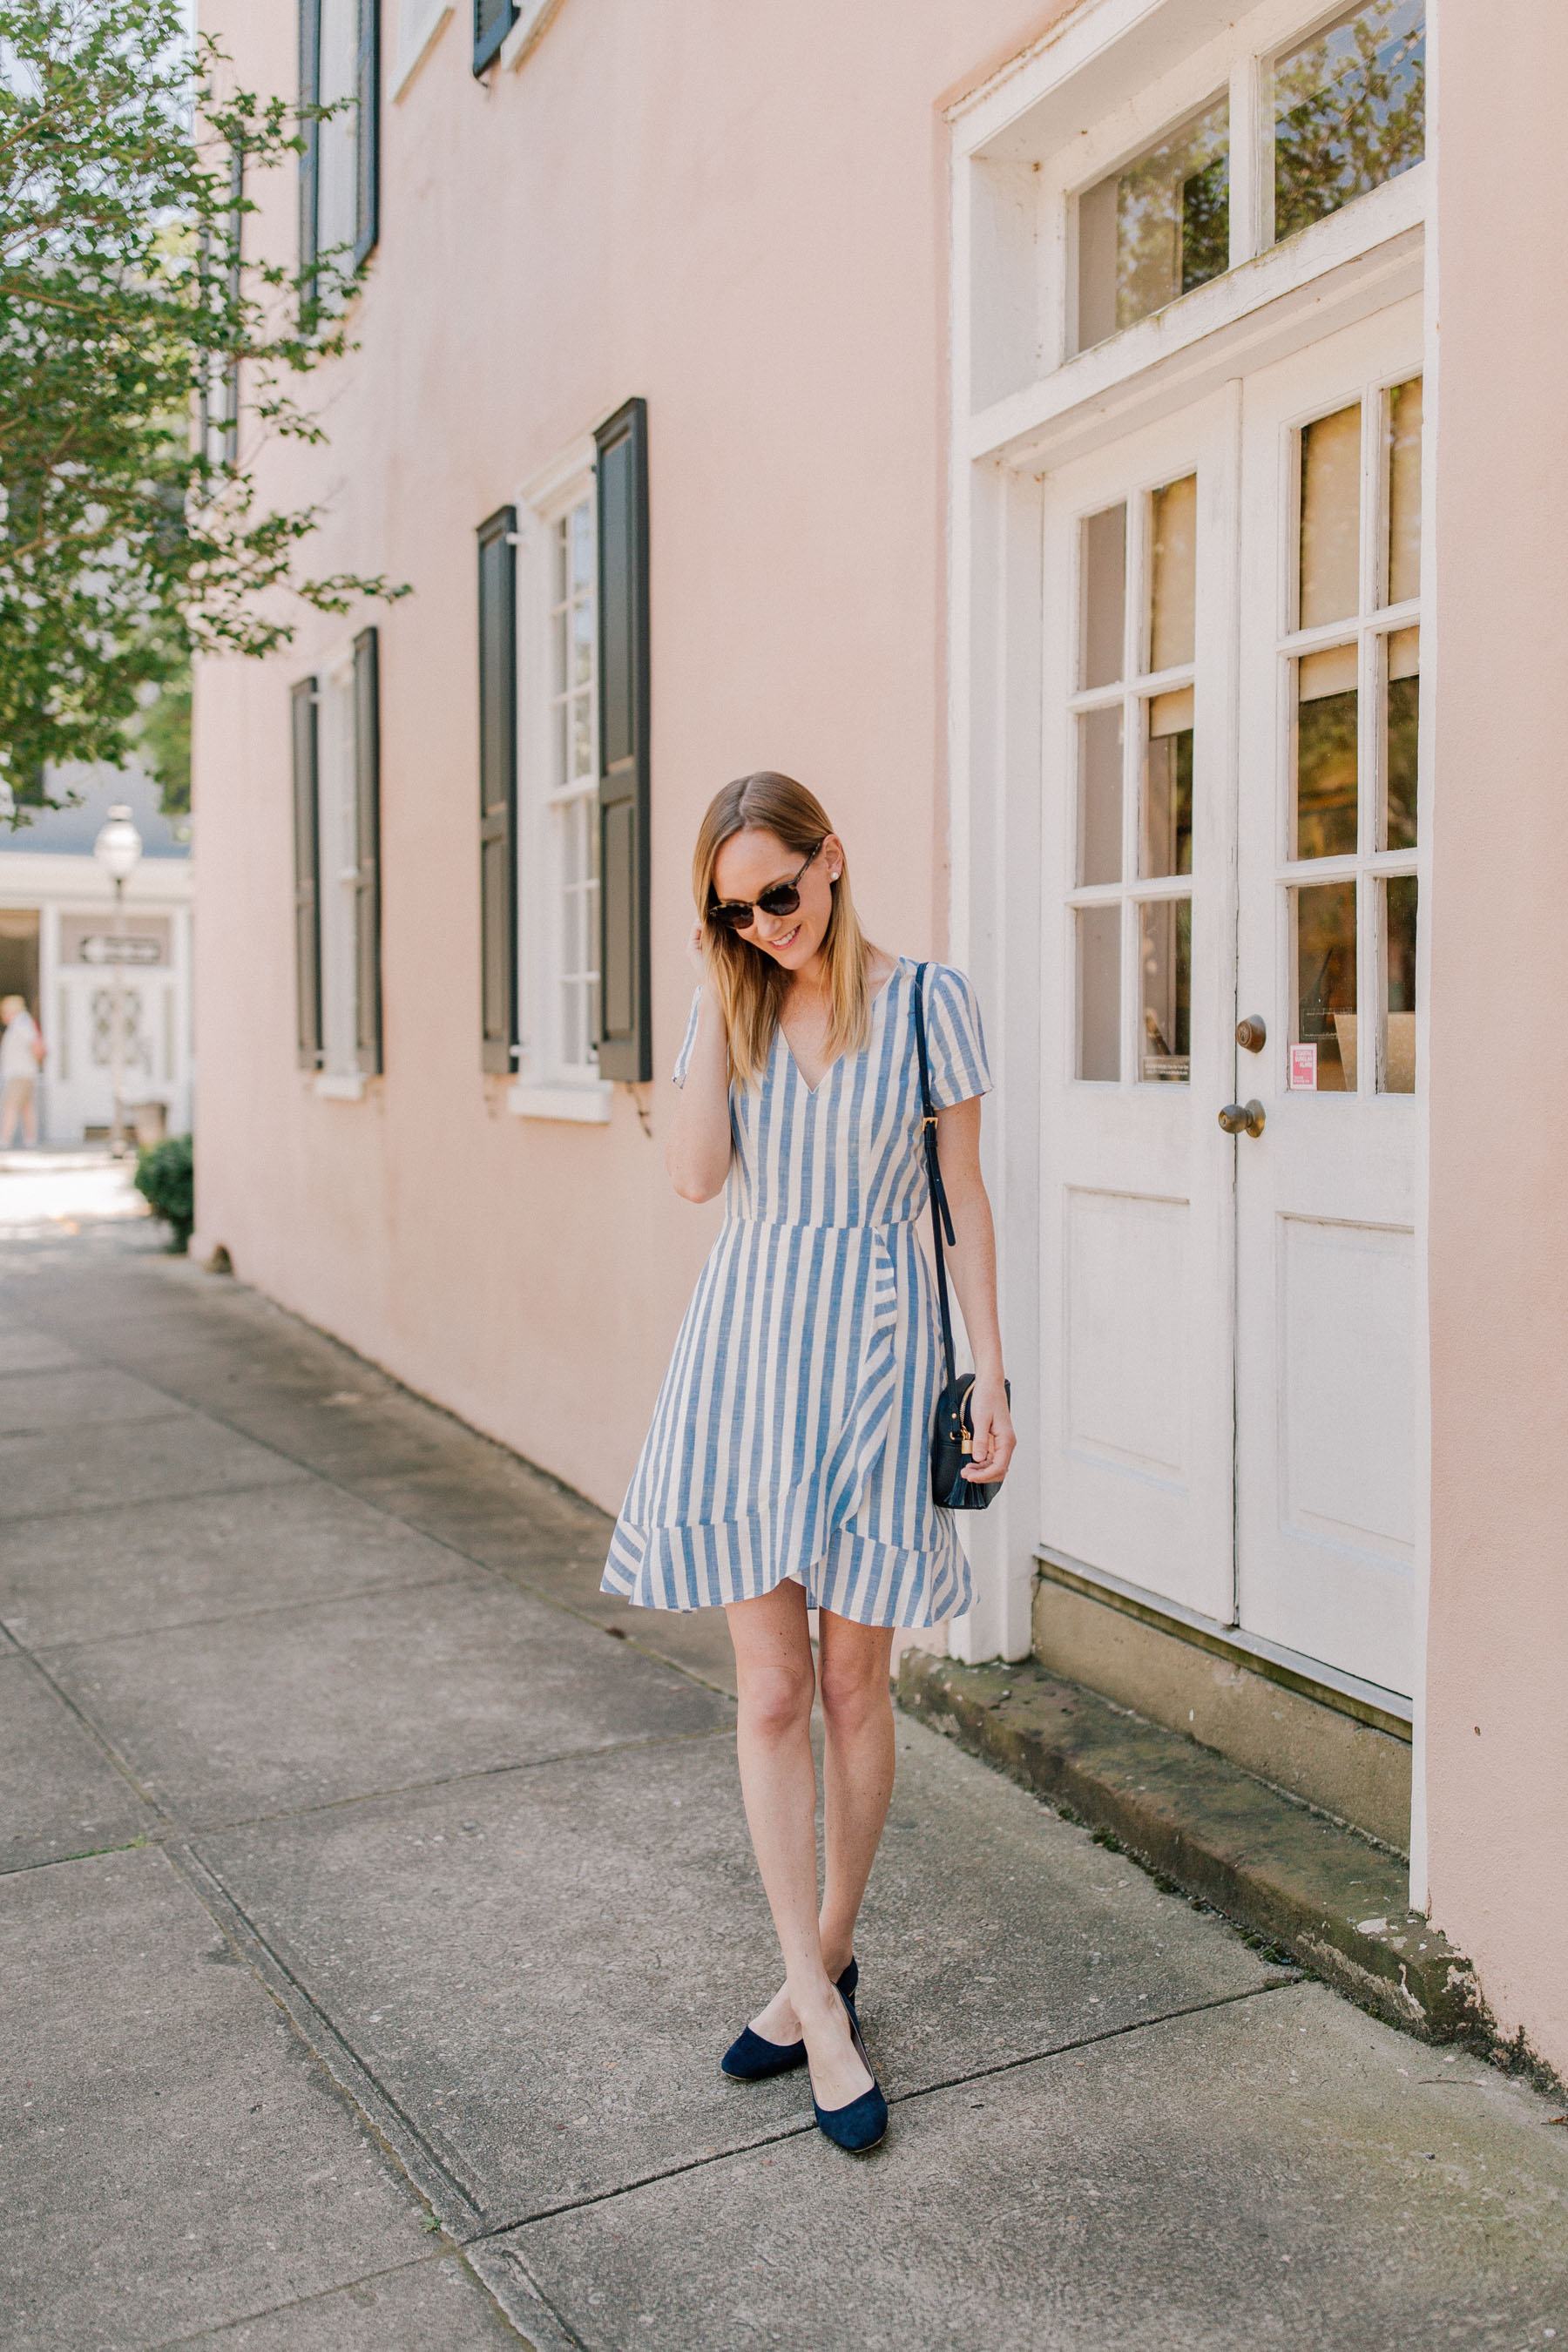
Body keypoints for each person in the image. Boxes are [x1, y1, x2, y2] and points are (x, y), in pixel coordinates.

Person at [603, 771, 1015, 2153]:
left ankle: (825, 1951)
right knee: (771, 1691)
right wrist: (718, 993)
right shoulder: (734, 1001)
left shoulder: (927, 1002)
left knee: (853, 1682)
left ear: (835, 862)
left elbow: (963, 1196)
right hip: (751, 1357)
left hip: (889, 1356)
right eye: (737, 910)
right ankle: (816, 2003)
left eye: (781, 892)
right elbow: (692, 1179)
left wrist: (995, 1373)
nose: (767, 923)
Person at [0, 994, 43, 1148]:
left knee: (10, 1106)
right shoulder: (22, 1023)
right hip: (25, 1072)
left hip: (19, 1073)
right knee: (26, 1107)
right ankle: (30, 1140)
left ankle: (4, 1141)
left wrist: (37, 1059)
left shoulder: (21, 1023)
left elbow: (35, 1045)